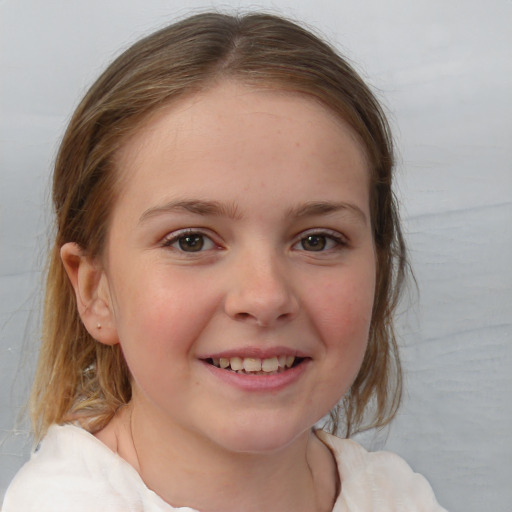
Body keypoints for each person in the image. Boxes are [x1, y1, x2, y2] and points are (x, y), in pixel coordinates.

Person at [2, 12, 447, 512]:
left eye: (318, 241)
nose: (265, 297)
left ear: (378, 274)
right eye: (191, 241)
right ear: (94, 291)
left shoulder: (399, 497)